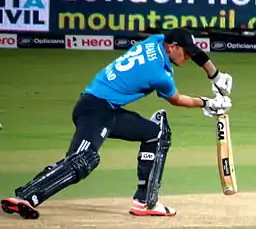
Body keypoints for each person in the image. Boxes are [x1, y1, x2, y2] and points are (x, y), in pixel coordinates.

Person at [1, 28, 232, 219]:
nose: (189, 57)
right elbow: (177, 100)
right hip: (94, 109)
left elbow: (196, 52)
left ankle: (145, 202)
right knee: (83, 159)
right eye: (186, 53)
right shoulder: (159, 75)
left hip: (109, 111)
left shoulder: (156, 40)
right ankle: (25, 197)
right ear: (171, 48)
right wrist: (207, 103)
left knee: (156, 133)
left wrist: (216, 76)